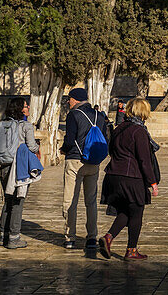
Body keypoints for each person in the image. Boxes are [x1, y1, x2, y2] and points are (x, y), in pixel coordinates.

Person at [98, 97, 158, 260]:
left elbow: (111, 151)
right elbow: (144, 160)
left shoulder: (119, 128)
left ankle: (108, 238)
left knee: (126, 210)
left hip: (113, 176)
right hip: (131, 177)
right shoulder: (139, 131)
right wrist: (152, 182)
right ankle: (131, 250)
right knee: (137, 212)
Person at [61, 87, 109, 250]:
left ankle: (70, 237)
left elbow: (70, 140)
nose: (68, 102)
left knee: (70, 201)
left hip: (75, 161)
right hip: (93, 162)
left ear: (75, 99)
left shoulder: (73, 115)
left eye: (69, 99)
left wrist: (63, 150)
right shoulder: (99, 115)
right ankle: (92, 238)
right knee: (91, 201)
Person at [0, 98, 39, 249]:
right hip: (19, 168)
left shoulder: (3, 125)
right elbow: (32, 146)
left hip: (4, 166)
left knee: (8, 201)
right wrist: (37, 147)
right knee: (18, 202)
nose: (28, 107)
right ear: (21, 109)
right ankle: (14, 238)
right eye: (26, 105)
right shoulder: (26, 126)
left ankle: (3, 236)